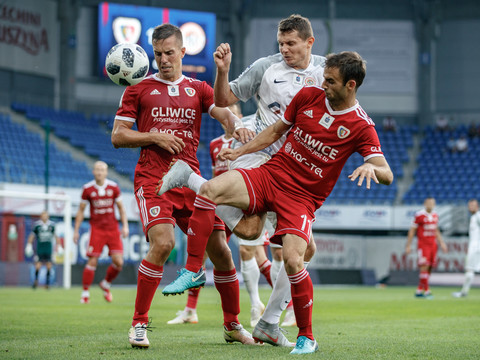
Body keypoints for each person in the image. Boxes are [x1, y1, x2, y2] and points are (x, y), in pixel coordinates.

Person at [158, 51, 394, 354]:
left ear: (350, 85)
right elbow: (274, 132)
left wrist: (372, 167)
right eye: (324, 78)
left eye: (331, 81)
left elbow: (386, 172)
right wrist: (241, 154)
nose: (323, 84)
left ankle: (305, 336)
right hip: (271, 174)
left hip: (302, 198)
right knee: (210, 191)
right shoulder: (308, 95)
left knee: (294, 257)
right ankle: (192, 270)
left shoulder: (361, 125)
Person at [159, 14, 325, 340]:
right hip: (259, 157)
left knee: (293, 248)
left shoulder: (325, 71)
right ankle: (191, 189)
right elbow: (223, 100)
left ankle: (268, 322)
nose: (285, 49)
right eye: (281, 43)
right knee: (253, 238)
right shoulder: (266, 67)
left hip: (295, 169)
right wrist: (222, 71)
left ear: (310, 42)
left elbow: (346, 100)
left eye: (291, 43)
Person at [110, 24, 255, 349]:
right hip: (154, 181)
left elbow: (222, 112)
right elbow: (118, 136)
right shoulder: (137, 89)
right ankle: (138, 325)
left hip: (191, 183)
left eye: (169, 53)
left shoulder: (198, 88)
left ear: (182, 52)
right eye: (157, 53)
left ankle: (232, 325)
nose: (163, 59)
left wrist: (237, 124)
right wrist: (154, 136)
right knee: (162, 244)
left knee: (221, 253)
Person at [167, 103, 274, 327]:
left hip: (245, 193)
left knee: (254, 248)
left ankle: (266, 305)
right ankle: (190, 310)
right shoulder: (215, 144)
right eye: (227, 115)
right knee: (208, 253)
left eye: (234, 113)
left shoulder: (251, 136)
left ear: (240, 117)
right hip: (222, 198)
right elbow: (217, 172)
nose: (230, 118)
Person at [73, 161, 129, 304]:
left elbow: (121, 208)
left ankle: (106, 284)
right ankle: (85, 293)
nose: (99, 172)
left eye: (102, 170)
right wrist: (76, 230)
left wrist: (125, 226)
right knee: (92, 260)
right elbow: (80, 211)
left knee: (119, 262)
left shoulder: (114, 187)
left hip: (112, 229)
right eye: (97, 169)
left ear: (106, 172)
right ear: (93, 172)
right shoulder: (87, 189)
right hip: (97, 229)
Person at [405, 197, 448, 298]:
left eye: (432, 203)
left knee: (430, 267)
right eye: (429, 203)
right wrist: (408, 245)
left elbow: (436, 230)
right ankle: (427, 291)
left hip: (433, 244)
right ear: (425, 204)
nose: (430, 205)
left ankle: (419, 290)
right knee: (424, 266)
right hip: (423, 244)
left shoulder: (435, 215)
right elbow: (412, 231)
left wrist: (442, 243)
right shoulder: (419, 215)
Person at [25, 211, 62, 289]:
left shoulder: (52, 225)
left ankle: (47, 283)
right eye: (43, 215)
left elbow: (56, 236)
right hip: (40, 248)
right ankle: (35, 281)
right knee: (38, 265)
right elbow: (32, 236)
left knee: (49, 265)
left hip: (48, 248)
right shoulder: (37, 225)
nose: (45, 217)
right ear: (41, 216)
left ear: (48, 216)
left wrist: (59, 246)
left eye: (46, 215)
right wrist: (29, 244)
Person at [453, 199, 480, 297]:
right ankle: (464, 291)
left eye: (473, 205)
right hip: (475, 246)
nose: (471, 208)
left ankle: (464, 292)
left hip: (476, 247)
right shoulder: (473, 217)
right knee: (470, 270)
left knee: (469, 269)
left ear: (477, 206)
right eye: (469, 206)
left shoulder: (477, 216)